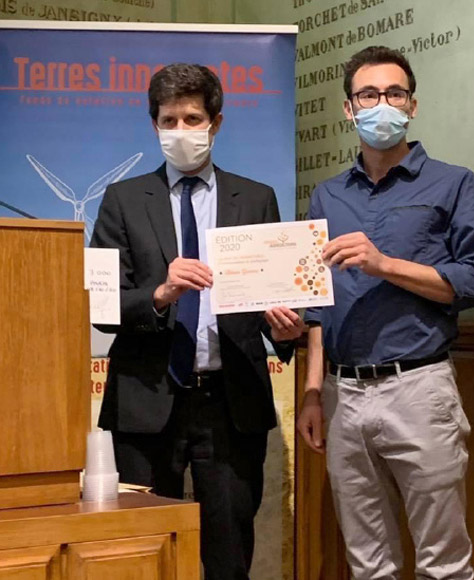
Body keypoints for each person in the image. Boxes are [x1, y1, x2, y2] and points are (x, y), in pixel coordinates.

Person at [90, 63, 304, 580]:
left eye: (192, 118)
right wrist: (160, 294)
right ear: (154, 125)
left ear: (217, 122)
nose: (180, 131)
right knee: (144, 550)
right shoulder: (122, 199)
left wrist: (284, 330)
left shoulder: (255, 198)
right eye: (168, 120)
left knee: (229, 552)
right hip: (146, 400)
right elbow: (100, 305)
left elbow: (274, 300)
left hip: (230, 402)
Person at [296, 46, 474, 580]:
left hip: (419, 389)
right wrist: (313, 392)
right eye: (368, 94)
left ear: (412, 106)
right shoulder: (327, 195)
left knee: (444, 563)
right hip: (341, 396)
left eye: (393, 94)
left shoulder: (453, 184)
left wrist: (385, 264)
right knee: (367, 565)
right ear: (349, 108)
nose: (381, 104)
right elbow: (319, 306)